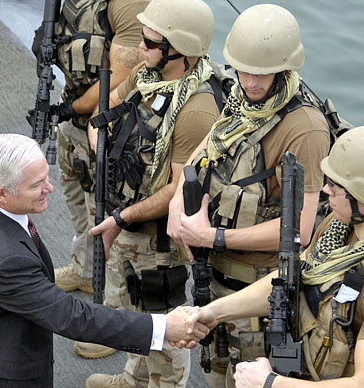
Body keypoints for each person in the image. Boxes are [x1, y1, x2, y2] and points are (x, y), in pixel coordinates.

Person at [181, 125, 364, 388]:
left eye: (336, 185)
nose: (325, 190)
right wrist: (214, 312)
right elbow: (293, 277)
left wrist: (269, 383)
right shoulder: (341, 227)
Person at [0, 133, 209, 388]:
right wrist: (161, 327)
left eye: (45, 177)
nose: (49, 187)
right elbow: (73, 317)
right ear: (1, 193)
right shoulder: (6, 262)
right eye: (36, 185)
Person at [166, 4, 330, 386]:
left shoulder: (304, 130)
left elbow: (301, 230)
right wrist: (177, 202)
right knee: (216, 373)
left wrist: (212, 237)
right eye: (243, 71)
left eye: (262, 73)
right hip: (216, 275)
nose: (251, 82)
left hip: (258, 292)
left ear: (285, 68)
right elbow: (207, 146)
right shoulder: (241, 100)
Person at [83, 0, 223, 386]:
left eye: (151, 42)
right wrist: (101, 147)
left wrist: (122, 218)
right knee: (135, 311)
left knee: (166, 324)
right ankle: (134, 378)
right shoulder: (148, 75)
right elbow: (106, 109)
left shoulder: (196, 111)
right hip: (124, 217)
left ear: (180, 52)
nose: (140, 48)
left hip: (158, 239)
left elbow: (179, 190)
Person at [49, 0, 150, 361]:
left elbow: (121, 77)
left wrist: (72, 110)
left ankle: (111, 318)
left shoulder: (129, 5)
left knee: (106, 222)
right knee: (77, 201)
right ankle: (83, 270)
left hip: (108, 125)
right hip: (73, 118)